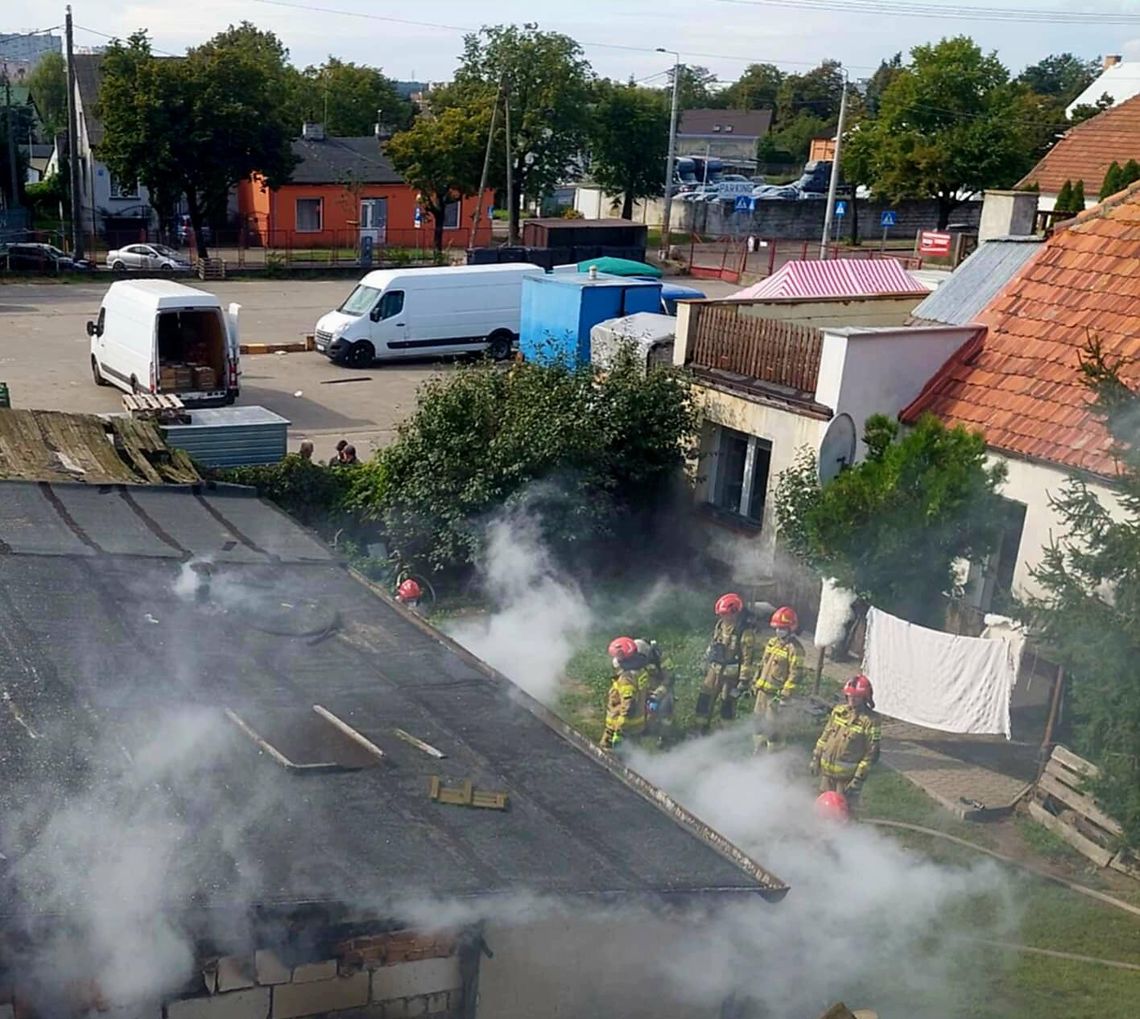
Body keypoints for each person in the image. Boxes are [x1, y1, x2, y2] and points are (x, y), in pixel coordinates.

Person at [811, 674, 881, 808]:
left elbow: (870, 754)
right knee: (823, 808)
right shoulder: (838, 712)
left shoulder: (871, 721)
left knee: (843, 811)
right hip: (827, 773)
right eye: (850, 695)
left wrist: (858, 779)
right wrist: (816, 758)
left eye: (856, 696)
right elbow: (824, 737)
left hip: (847, 779)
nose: (852, 699)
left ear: (865, 697)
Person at [695, 593, 756, 727]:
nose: (723, 617)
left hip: (730, 675)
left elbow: (747, 658)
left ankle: (725, 737)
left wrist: (744, 680)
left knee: (727, 704)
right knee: (705, 698)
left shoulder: (744, 631)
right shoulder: (720, 625)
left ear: (734, 613)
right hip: (714, 669)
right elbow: (713, 644)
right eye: (721, 614)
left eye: (725, 614)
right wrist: (705, 661)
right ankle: (700, 728)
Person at [751, 605, 805, 753]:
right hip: (762, 691)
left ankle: (774, 755)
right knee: (758, 721)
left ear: (790, 629)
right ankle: (758, 748)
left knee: (773, 726)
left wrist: (786, 693)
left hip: (776, 695)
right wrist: (756, 680)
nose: (778, 631)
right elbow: (763, 663)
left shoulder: (795, 649)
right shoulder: (772, 642)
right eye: (776, 627)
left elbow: (796, 673)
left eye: (782, 628)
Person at [600, 636, 650, 751]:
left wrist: (619, 727)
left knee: (607, 753)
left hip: (622, 726)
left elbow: (628, 702)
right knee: (634, 754)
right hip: (638, 724)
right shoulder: (641, 670)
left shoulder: (626, 678)